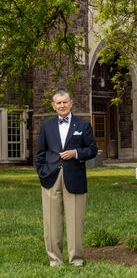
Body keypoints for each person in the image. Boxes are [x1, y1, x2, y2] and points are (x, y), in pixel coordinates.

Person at [35, 90, 98, 266]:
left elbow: (92, 149)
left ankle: (76, 259)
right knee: (51, 221)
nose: (62, 105)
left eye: (65, 102)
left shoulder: (83, 125)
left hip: (75, 177)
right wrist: (42, 172)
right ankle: (55, 260)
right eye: (58, 103)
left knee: (75, 221)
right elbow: (40, 153)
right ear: (53, 106)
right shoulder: (47, 126)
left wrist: (76, 153)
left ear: (71, 103)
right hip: (50, 178)